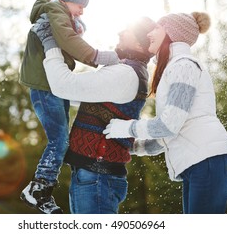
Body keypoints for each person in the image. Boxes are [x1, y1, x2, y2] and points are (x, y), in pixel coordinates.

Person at [103, 12, 227, 214]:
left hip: (208, 161)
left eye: (157, 27)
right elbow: (168, 135)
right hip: (201, 163)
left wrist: (126, 127)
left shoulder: (184, 65)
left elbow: (167, 125)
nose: (150, 33)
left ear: (171, 33)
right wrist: (133, 147)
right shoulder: (175, 66)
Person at [19, 0, 119, 214]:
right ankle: (37, 189)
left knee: (62, 140)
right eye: (80, 6)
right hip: (45, 87)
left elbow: (68, 38)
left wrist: (77, 27)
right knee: (59, 140)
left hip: (53, 86)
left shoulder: (57, 12)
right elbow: (68, 40)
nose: (82, 11)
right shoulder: (54, 10)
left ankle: (42, 190)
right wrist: (99, 57)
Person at [32, 14, 156, 213]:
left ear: (141, 45)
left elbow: (64, 87)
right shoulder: (128, 71)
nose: (120, 32)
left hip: (97, 177)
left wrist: (49, 41)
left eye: (128, 31)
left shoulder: (124, 74)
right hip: (95, 176)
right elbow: (74, 93)